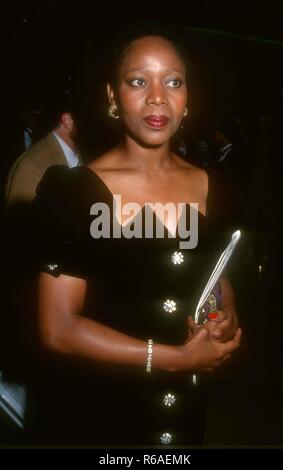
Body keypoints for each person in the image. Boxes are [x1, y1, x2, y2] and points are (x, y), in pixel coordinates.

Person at [26, 22, 241, 446]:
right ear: (112, 97)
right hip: (98, 414)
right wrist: (174, 359)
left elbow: (216, 278)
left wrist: (221, 317)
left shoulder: (214, 185)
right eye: (138, 81)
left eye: (173, 81)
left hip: (182, 413)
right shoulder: (71, 191)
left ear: (188, 99)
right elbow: (57, 327)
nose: (157, 96)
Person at [5, 90, 81, 211]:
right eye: (88, 117)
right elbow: (19, 225)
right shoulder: (31, 166)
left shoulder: (84, 158)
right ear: (68, 121)